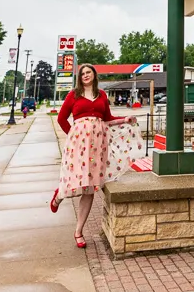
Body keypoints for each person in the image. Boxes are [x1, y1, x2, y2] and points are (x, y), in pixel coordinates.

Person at [49, 63, 140, 247]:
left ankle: (78, 232)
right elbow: (61, 118)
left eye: (88, 72)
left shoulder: (102, 95)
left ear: (94, 75)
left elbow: (107, 118)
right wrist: (73, 136)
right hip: (78, 146)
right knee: (73, 184)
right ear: (79, 77)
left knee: (89, 188)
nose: (85, 75)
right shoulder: (73, 95)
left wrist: (125, 120)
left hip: (98, 146)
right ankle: (59, 195)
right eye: (82, 73)